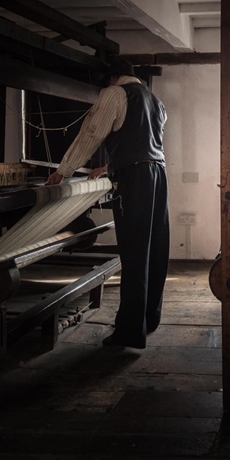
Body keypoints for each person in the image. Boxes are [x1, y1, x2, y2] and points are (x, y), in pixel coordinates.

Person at [47, 59, 169, 349]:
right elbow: (144, 141)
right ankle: (149, 318)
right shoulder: (155, 101)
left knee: (134, 251)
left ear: (113, 78)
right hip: (158, 173)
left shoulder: (115, 93)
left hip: (135, 178)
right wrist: (109, 166)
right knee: (155, 248)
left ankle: (129, 332)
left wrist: (63, 170)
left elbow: (92, 133)